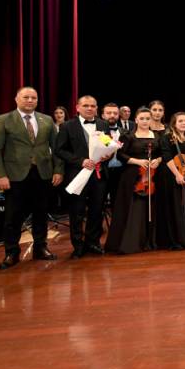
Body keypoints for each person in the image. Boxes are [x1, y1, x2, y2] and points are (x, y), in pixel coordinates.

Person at [0, 87, 63, 269]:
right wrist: (0, 175)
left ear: (37, 101)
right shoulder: (3, 120)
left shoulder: (46, 120)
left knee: (40, 213)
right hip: (14, 176)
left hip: (43, 174)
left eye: (33, 98)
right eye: (26, 97)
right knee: (13, 217)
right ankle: (11, 253)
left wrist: (58, 170)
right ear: (16, 99)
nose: (30, 100)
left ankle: (40, 247)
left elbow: (57, 149)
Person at [54, 95, 111, 258]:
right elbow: (60, 150)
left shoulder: (102, 124)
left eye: (93, 106)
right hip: (77, 174)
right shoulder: (67, 126)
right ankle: (77, 246)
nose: (89, 108)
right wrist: (80, 161)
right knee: (77, 211)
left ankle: (93, 242)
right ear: (77, 107)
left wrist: (107, 154)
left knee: (96, 210)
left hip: (99, 175)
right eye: (86, 105)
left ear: (96, 108)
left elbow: (107, 144)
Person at [105, 107, 161, 254]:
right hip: (133, 176)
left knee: (151, 207)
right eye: (141, 118)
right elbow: (121, 155)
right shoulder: (128, 136)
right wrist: (137, 161)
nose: (145, 121)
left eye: (147, 118)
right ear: (136, 120)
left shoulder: (156, 135)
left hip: (153, 175)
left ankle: (151, 240)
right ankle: (134, 241)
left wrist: (158, 160)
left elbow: (162, 153)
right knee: (135, 208)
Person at [159, 112, 185, 250]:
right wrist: (177, 175)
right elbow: (167, 157)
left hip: (183, 174)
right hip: (171, 176)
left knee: (184, 206)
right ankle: (176, 239)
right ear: (174, 123)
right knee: (175, 206)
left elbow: (184, 158)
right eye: (180, 121)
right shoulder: (167, 137)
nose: (184, 123)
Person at [102, 102, 126, 208]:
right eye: (109, 113)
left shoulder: (126, 132)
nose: (112, 115)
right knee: (98, 204)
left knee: (118, 204)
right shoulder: (98, 132)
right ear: (103, 115)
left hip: (120, 172)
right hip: (102, 172)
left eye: (115, 113)